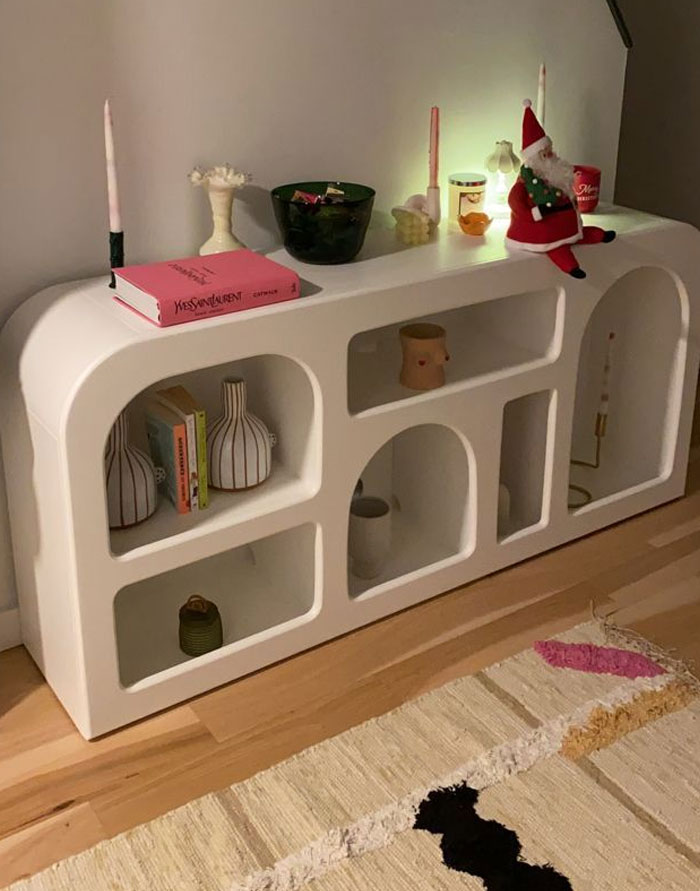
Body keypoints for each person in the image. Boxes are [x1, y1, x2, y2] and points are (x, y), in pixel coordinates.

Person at [505, 100, 615, 278]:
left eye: (550, 150)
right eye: (544, 153)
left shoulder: (555, 175)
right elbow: (515, 202)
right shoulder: (525, 183)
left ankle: (593, 235)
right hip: (543, 230)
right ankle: (571, 266)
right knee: (557, 246)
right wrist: (535, 213)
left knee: (576, 235)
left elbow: (569, 191)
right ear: (533, 157)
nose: (549, 155)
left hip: (567, 226)